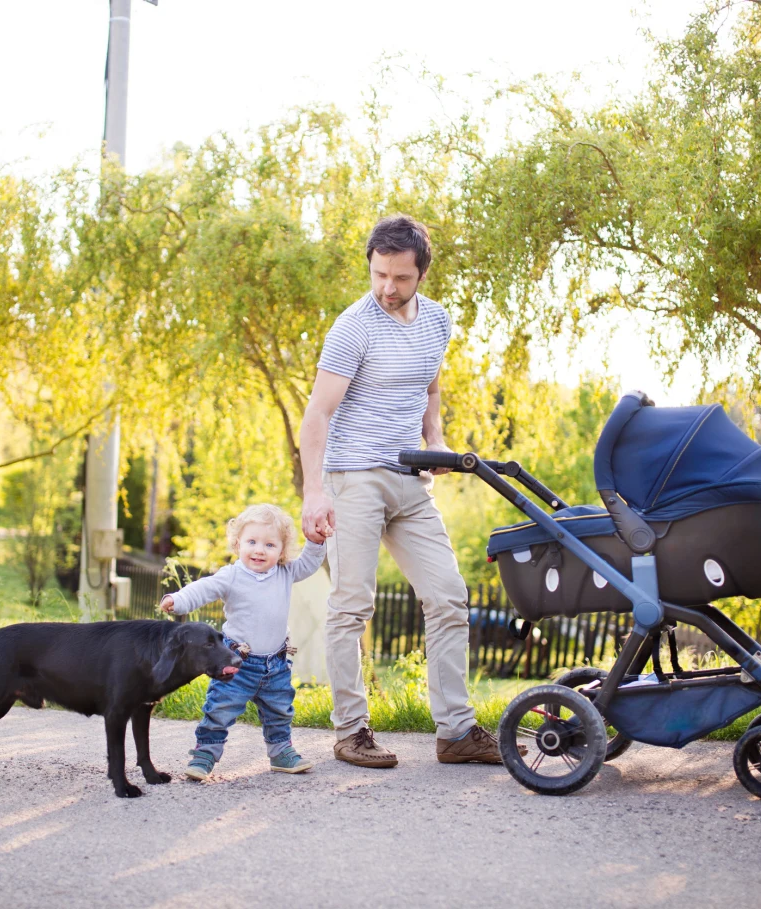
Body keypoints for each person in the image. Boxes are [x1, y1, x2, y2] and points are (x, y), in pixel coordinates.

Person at [299, 214, 515, 768]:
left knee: (448, 596)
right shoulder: (354, 327)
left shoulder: (437, 320)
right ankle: (351, 731)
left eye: (399, 278)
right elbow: (318, 414)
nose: (387, 288)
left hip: (410, 479)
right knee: (353, 605)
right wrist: (313, 492)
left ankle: (456, 732)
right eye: (378, 275)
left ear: (422, 273)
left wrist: (435, 438)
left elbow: (430, 384)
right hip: (354, 478)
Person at [160, 503, 327, 779]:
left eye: (270, 545)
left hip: (276, 664)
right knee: (221, 708)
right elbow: (204, 588)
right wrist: (177, 600)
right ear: (238, 544)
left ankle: (281, 752)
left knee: (280, 710)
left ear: (282, 551)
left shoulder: (286, 573)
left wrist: (316, 540)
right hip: (237, 663)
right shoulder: (232, 575)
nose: (259, 550)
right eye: (252, 542)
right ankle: (204, 754)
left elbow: (310, 563)